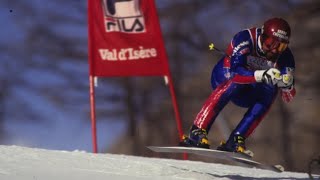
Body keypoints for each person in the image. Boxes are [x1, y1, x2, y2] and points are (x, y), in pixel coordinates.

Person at [180, 17, 296, 153]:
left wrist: (287, 86)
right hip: (223, 78)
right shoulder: (246, 38)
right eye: (271, 43)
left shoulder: (286, 57)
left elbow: (288, 97)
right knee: (235, 81)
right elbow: (235, 72)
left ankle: (236, 139)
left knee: (271, 89)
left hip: (249, 92)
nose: (274, 50)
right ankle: (198, 130)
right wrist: (260, 75)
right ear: (262, 36)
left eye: (281, 46)